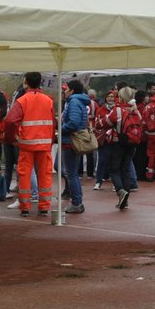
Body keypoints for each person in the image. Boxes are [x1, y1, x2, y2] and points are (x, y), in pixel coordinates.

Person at [5, 72, 56, 216]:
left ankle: (25, 206)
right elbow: (53, 123)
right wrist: (50, 141)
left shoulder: (22, 100)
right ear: (40, 82)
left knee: (24, 175)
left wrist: (11, 139)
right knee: (45, 174)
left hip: (26, 144)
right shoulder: (48, 100)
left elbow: (10, 121)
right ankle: (44, 206)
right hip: (44, 144)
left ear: (26, 82)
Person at [59, 78, 92, 214]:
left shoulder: (73, 102)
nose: (64, 92)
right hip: (73, 140)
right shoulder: (79, 101)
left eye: (66, 89)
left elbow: (73, 122)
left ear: (71, 90)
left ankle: (76, 202)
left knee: (70, 173)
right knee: (70, 172)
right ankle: (77, 200)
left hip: (70, 140)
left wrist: (61, 128)